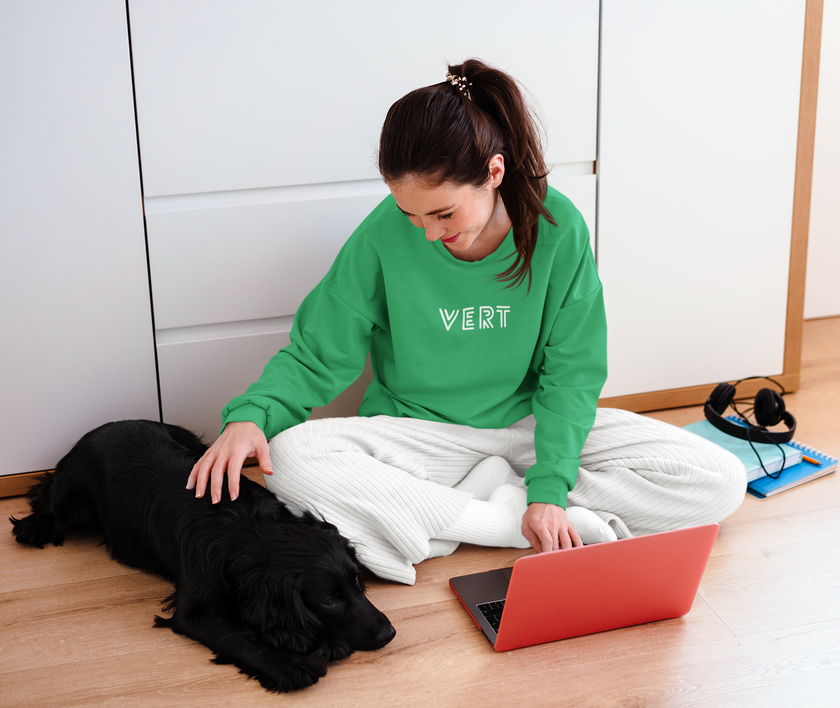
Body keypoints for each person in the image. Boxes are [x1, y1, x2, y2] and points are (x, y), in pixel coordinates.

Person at [187, 60, 745, 584]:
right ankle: (505, 524)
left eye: (443, 213)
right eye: (412, 215)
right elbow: (318, 351)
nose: (428, 232)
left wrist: (549, 483)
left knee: (718, 479)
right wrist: (253, 415)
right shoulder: (383, 235)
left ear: (493, 171)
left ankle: (493, 509)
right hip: (420, 435)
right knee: (292, 458)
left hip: (528, 428)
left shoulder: (558, 228)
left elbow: (572, 372)